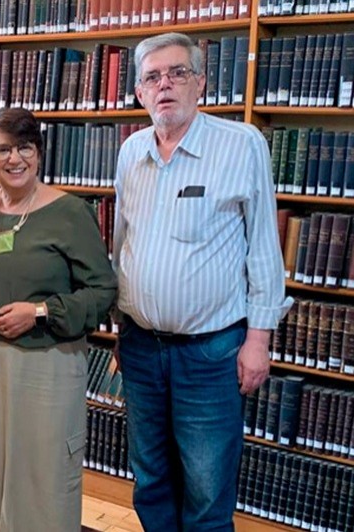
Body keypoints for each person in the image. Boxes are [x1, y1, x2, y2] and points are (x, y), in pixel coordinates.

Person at [112, 32, 291, 531]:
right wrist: (119, 324)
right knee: (150, 480)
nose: (164, 84)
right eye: (152, 77)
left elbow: (263, 248)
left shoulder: (240, 144)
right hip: (142, 347)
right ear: (140, 92)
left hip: (212, 352)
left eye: (177, 73)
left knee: (207, 490)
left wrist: (259, 339)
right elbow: (122, 243)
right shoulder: (131, 153)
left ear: (201, 84)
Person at [0, 107, 116, 532]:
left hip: (47, 361)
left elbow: (103, 292)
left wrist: (41, 311)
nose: (15, 159)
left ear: (40, 153)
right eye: (2, 149)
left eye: (25, 147)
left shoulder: (70, 213)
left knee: (42, 476)